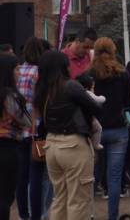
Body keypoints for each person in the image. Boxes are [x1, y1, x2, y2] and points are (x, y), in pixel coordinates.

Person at [36, 49, 102, 220]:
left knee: (59, 198)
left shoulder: (42, 90)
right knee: (78, 200)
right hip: (74, 145)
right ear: (63, 66)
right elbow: (96, 107)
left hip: (51, 145)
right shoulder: (70, 86)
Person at [89, 37, 130, 220]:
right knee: (114, 178)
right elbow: (129, 103)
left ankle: (88, 214)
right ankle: (112, 216)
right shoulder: (123, 74)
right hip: (118, 129)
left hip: (94, 131)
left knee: (90, 177)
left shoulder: (90, 74)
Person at [15, 37, 49, 220]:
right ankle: (38, 214)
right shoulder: (39, 74)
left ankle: (22, 214)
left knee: (22, 176)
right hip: (36, 130)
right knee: (38, 175)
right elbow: (40, 103)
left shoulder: (18, 71)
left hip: (19, 129)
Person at [0, 52, 31, 217]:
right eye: (17, 69)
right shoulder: (9, 96)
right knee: (5, 195)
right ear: (8, 71)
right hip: (7, 148)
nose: (20, 73)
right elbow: (25, 121)